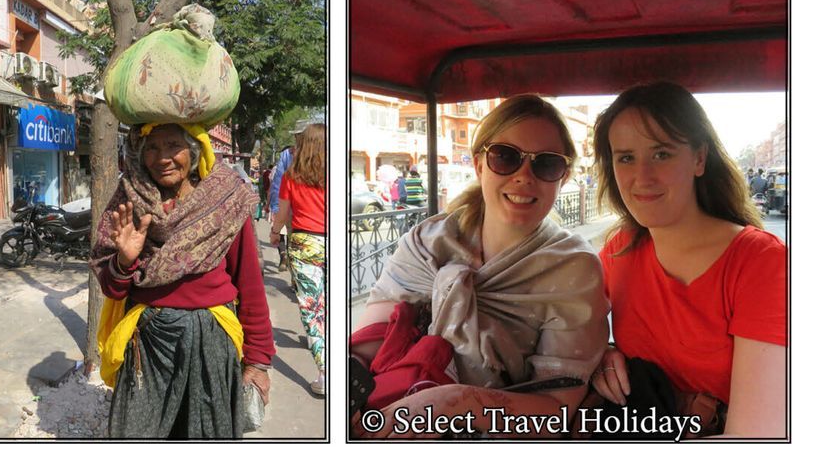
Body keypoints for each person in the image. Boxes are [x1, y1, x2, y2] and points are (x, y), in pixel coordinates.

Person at [350, 95, 607, 438]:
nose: (524, 176)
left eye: (546, 164)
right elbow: (372, 338)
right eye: (506, 157)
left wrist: (456, 402)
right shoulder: (430, 241)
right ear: (479, 164)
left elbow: (557, 408)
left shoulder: (574, 268)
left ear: (564, 177)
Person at [589, 82, 786, 438]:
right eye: (626, 158)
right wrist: (600, 353)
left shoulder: (762, 262)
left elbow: (755, 438)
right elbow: (568, 324)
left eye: (661, 154)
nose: (642, 177)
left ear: (699, 158)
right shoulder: (620, 249)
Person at [92, 122, 273, 439]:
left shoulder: (226, 201)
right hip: (146, 344)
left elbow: (250, 284)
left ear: (194, 150)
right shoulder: (129, 201)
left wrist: (257, 362)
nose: (161, 157)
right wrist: (123, 261)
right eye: (151, 147)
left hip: (211, 343)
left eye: (172, 145)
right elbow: (112, 288)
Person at [271, 122, 327, 396]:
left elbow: (282, 214)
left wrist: (273, 233)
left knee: (312, 310)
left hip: (305, 243)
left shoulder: (291, 176)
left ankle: (326, 373)